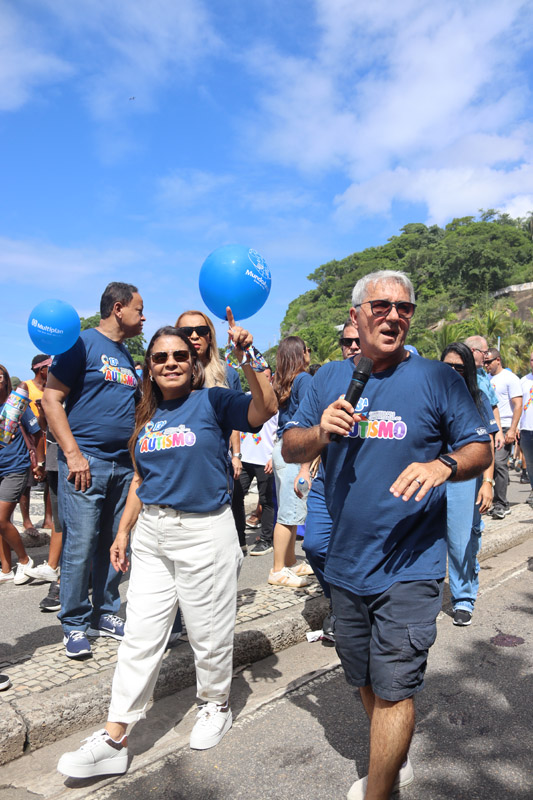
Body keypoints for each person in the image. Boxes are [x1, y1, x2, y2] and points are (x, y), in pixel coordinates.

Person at [282, 270, 491, 800]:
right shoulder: (327, 379)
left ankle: (380, 790)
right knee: (366, 680)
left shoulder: (436, 379)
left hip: (412, 563)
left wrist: (444, 466)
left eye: (404, 308)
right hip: (346, 565)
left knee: (396, 687)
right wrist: (318, 431)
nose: (393, 316)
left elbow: (479, 448)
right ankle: (391, 758)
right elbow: (290, 448)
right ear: (356, 315)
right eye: (381, 306)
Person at [57, 314, 277, 778]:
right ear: (149, 368)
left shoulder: (214, 402)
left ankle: (215, 703)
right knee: (140, 636)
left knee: (207, 631)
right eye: (161, 357)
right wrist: (122, 533)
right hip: (153, 535)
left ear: (194, 362)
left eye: (181, 355)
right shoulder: (146, 415)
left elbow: (265, 409)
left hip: (206, 532)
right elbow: (141, 477)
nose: (172, 362)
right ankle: (115, 736)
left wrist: (248, 356)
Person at [42, 282, 145, 658]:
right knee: (81, 545)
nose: (144, 316)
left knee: (114, 544)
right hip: (87, 465)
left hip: (122, 466)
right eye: (139, 308)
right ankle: (73, 622)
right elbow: (52, 400)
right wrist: (73, 455)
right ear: (118, 309)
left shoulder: (124, 353)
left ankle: (105, 611)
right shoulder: (80, 343)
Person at [304, 320, 362, 638]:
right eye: (346, 341)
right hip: (327, 477)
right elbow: (305, 429)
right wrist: (305, 465)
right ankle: (338, 601)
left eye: (357, 340)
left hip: (363, 484)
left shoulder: (386, 375)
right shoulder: (328, 375)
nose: (352, 346)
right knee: (314, 545)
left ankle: (348, 611)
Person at [175, 310, 246, 548]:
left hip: (215, 471)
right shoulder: (169, 374)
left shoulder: (227, 375)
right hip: (177, 471)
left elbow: (239, 420)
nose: (194, 336)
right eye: (186, 332)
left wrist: (236, 455)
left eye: (201, 331)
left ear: (210, 337)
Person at [440, 343, 497, 626]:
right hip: (433, 476)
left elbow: (486, 446)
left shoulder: (478, 398)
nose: (451, 372)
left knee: (462, 541)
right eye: (446, 366)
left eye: (459, 368)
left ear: (469, 370)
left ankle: (463, 597)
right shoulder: (430, 396)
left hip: (464, 479)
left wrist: (487, 483)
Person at [269, 336, 313, 588]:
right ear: (301, 354)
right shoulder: (304, 379)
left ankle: (290, 560)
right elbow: (312, 413)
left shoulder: (282, 381)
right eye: (307, 349)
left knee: (291, 509)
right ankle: (277, 569)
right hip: (295, 449)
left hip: (281, 448)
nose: (310, 353)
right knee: (289, 512)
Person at [0, 364, 45, 584]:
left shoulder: (17, 404)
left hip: (15, 467)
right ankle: (6, 568)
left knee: (0, 518)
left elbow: (36, 433)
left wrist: (38, 462)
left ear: (5, 379)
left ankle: (25, 561)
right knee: (1, 521)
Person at [239, 366, 278, 556]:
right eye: (258, 375)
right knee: (236, 497)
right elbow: (235, 427)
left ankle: (266, 539)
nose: (263, 379)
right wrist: (235, 455)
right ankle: (238, 539)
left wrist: (274, 455)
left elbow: (282, 430)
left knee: (266, 501)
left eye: (267, 376)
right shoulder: (244, 397)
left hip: (265, 459)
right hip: (243, 459)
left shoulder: (276, 400)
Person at [484, 347, 522, 519]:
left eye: (489, 362)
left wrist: (513, 429)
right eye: (484, 362)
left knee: (499, 463)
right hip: (488, 427)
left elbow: (518, 405)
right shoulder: (485, 378)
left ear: (498, 360)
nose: (486, 365)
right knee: (485, 464)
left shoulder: (510, 378)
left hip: (505, 426)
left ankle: (502, 504)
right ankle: (487, 499)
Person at [18, 354, 53, 535]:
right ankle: (26, 520)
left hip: (48, 439)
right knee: (27, 481)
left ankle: (48, 518)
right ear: (42, 370)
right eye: (50, 367)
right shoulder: (26, 387)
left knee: (49, 479)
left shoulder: (53, 389)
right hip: (29, 441)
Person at [464, 335, 505, 450]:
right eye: (484, 353)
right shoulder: (458, 371)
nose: (486, 357)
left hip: (488, 432)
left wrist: (499, 431)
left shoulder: (482, 373)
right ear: (473, 351)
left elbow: (493, 404)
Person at [518, 351, 533, 506]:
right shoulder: (523, 381)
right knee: (530, 464)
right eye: (531, 360)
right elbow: (518, 406)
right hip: (527, 430)